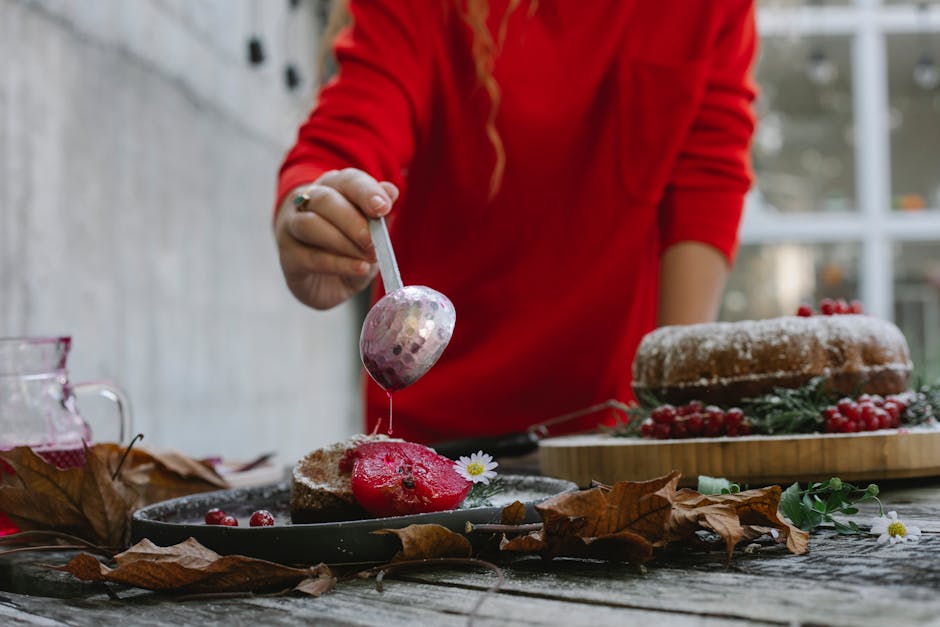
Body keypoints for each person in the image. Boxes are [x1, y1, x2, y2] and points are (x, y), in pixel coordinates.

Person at [274, 0, 758, 446]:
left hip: (611, 425)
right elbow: (356, 119)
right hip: (432, 419)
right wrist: (314, 206)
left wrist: (671, 405)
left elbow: (707, 173)